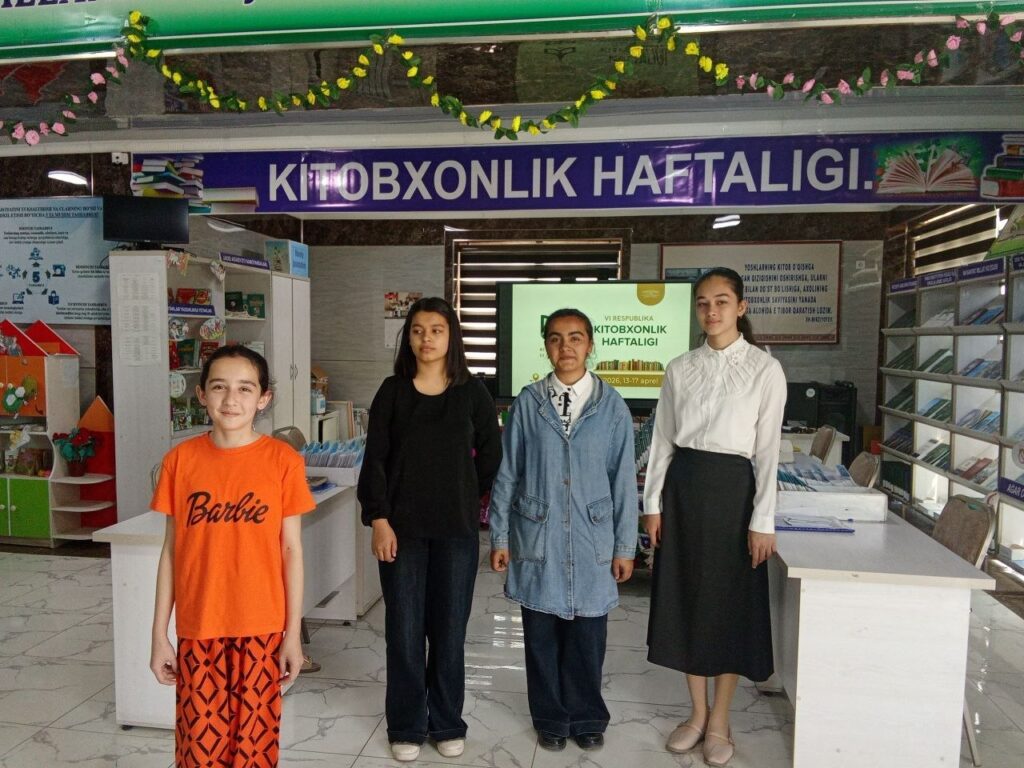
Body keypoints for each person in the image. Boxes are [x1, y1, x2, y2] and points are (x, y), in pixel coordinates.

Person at [643, 267, 786, 767]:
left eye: (722, 301)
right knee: (687, 598)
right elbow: (662, 439)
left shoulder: (766, 370)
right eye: (703, 302)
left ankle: (721, 718)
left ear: (741, 307)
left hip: (734, 495)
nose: (712, 311)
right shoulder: (680, 367)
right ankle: (697, 713)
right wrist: (653, 504)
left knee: (728, 605)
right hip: (684, 489)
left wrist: (763, 520)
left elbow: (768, 452)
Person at [149, 344, 316, 767]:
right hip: (199, 625)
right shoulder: (179, 461)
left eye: (245, 388)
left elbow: (292, 551)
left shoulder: (283, 461)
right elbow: (171, 552)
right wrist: (158, 635)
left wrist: (292, 635)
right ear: (201, 394)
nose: (231, 399)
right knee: (199, 750)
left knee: (254, 751)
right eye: (219, 386)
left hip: (263, 628)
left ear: (264, 398)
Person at [357, 296, 502, 762]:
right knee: (403, 631)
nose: (426, 339)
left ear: (451, 337)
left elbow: (492, 455)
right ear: (408, 338)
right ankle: (406, 725)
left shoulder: (473, 393)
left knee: (449, 630)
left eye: (436, 330)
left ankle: (446, 723)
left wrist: (465, 493)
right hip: (400, 532)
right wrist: (379, 519)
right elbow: (375, 461)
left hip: (456, 533)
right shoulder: (392, 391)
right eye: (418, 330)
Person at [488, 308, 638, 753]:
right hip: (539, 535)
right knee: (541, 635)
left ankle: (588, 716)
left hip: (593, 537)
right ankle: (551, 718)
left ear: (590, 344)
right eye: (555, 338)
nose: (566, 346)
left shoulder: (612, 406)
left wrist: (625, 546)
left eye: (575, 337)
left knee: (588, 637)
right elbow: (508, 473)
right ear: (546, 347)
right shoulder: (528, 403)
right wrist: (500, 536)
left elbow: (623, 481)